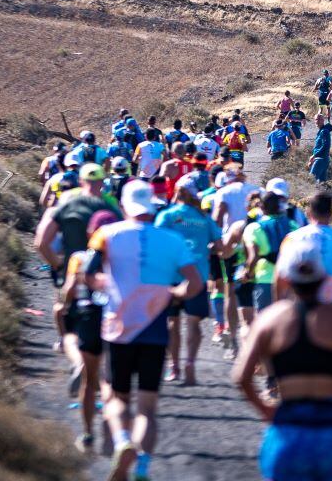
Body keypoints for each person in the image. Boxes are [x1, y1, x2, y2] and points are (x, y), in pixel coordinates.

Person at [82, 181, 202, 481]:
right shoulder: (172, 239)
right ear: (151, 206)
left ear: (123, 206)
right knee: (147, 407)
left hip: (118, 328)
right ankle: (143, 467)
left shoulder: (106, 234)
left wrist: (107, 287)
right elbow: (195, 283)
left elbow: (88, 273)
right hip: (155, 330)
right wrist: (173, 293)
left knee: (117, 398)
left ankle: (122, 441)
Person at [234, 237, 332, 481]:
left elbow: (241, 376)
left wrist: (264, 409)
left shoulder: (270, 320)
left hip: (289, 429)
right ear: (323, 278)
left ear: (286, 279)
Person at [36, 162, 122, 399]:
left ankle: (79, 363)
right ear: (103, 180)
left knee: (68, 325)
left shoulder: (66, 203)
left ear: (81, 180)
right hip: (106, 278)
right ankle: (101, 384)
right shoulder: (111, 207)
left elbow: (41, 242)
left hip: (73, 275)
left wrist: (59, 266)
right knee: (103, 330)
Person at [155, 183, 223, 386]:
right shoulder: (204, 218)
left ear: (176, 193)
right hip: (198, 275)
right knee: (193, 323)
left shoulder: (168, 214)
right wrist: (203, 248)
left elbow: (157, 238)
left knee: (172, 322)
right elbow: (219, 246)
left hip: (171, 276)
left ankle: (174, 366)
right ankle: (190, 363)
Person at [274, 190, 332, 305]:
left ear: (308, 212)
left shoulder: (292, 238)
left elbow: (280, 276)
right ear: (331, 214)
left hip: (300, 306)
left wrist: (279, 305)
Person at [55, 245, 107, 453]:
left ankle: (88, 434)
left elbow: (68, 289)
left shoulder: (78, 256)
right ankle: (113, 435)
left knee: (68, 337)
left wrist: (63, 304)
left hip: (82, 308)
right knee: (101, 375)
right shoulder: (119, 259)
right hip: (108, 312)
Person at [213, 166, 262, 352]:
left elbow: (218, 219)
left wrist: (216, 244)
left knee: (230, 292)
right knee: (254, 289)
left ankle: (233, 338)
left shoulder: (224, 192)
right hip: (256, 242)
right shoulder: (257, 190)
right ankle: (255, 337)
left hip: (232, 243)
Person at [241, 191, 300, 313]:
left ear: (261, 207)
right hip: (290, 281)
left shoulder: (254, 228)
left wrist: (247, 273)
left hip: (265, 279)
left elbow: (253, 257)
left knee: (264, 324)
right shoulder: (293, 226)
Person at [310, 114, 332, 184]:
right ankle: (328, 194)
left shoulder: (324, 131)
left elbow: (326, 145)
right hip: (323, 159)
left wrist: (314, 155)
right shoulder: (321, 131)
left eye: (319, 119)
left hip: (320, 159)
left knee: (311, 180)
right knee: (322, 183)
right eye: (316, 119)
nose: (317, 121)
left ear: (323, 120)